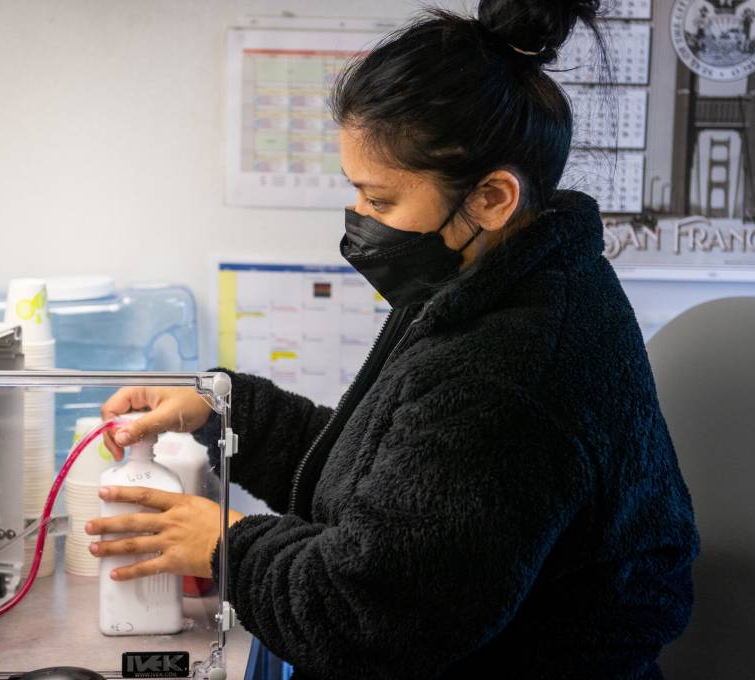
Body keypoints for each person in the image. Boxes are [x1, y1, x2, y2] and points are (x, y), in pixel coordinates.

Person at [84, 0, 700, 677]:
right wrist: (226, 408)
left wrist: (225, 544)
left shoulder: (510, 371)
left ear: (493, 197)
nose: (359, 219)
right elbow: (384, 479)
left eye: (379, 200)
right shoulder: (490, 276)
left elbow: (366, 616)